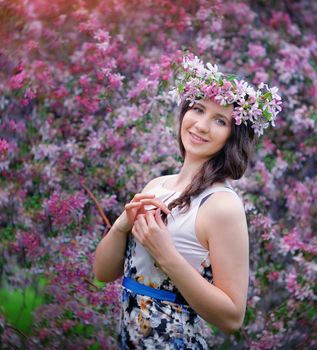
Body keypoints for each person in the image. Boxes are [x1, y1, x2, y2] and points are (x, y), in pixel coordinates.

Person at [93, 55, 281, 349]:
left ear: (234, 136)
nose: (202, 126)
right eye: (198, 109)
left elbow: (232, 318)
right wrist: (120, 227)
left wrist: (165, 253)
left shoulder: (221, 205)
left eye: (220, 120)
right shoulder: (157, 186)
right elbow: (103, 273)